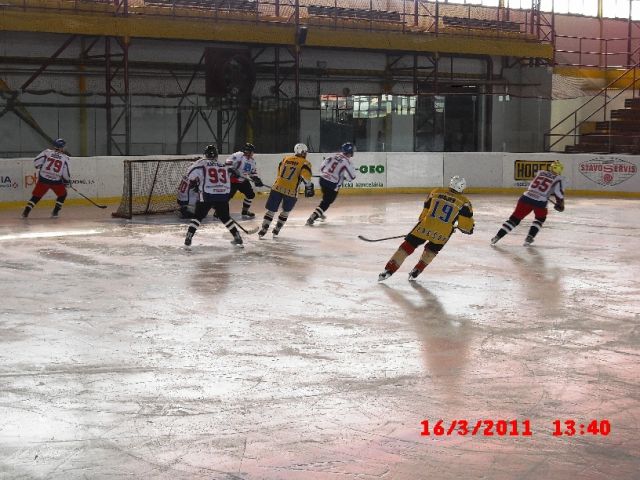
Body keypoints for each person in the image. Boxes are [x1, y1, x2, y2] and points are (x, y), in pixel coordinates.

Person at [378, 176, 474, 282]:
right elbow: (465, 226)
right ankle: (417, 270)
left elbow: (425, 211)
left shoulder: (436, 192)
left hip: (424, 226)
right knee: (431, 251)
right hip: (442, 233)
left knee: (407, 247)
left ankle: (388, 270)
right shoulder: (464, 202)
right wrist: (469, 230)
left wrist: (421, 226)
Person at [491, 160, 565, 247]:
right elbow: (558, 193)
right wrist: (560, 203)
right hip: (540, 201)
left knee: (514, 219)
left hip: (526, 197)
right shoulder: (559, 179)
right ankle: (530, 237)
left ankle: (497, 236)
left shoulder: (541, 172)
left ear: (551, 167)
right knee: (540, 219)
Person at [183, 144, 244, 248]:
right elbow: (232, 175)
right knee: (225, 217)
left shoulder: (201, 163)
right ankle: (237, 237)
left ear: (205, 154)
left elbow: (190, 175)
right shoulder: (222, 165)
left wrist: (194, 183)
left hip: (207, 195)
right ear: (216, 155)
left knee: (198, 217)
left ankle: (188, 238)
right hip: (223, 195)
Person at [258, 143, 314, 238]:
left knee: (271, 210)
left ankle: (264, 228)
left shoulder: (285, 159)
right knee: (286, 211)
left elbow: (279, 171)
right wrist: (309, 187)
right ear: (302, 152)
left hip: (277, 187)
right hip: (291, 191)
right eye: (305, 152)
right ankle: (277, 229)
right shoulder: (305, 163)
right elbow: (306, 178)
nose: (306, 154)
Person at [306, 142, 357, 226]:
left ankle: (319, 212)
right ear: (350, 152)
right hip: (332, 184)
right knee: (327, 202)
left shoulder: (334, 155)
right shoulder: (347, 162)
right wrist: (345, 178)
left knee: (325, 198)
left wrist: (324, 174)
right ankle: (313, 217)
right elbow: (352, 177)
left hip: (322, 180)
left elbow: (323, 165)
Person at [22, 138, 71, 218]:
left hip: (43, 179)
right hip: (56, 181)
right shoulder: (65, 158)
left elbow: (36, 162)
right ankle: (55, 213)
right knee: (63, 195)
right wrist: (67, 182)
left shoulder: (47, 152)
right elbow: (66, 173)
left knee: (36, 196)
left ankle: (25, 212)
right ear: (61, 147)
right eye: (64, 146)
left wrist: (40, 167)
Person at [227, 142, 264, 218]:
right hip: (232, 180)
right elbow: (227, 163)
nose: (253, 153)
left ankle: (245, 211)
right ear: (247, 151)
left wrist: (256, 179)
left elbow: (252, 172)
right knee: (227, 197)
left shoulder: (252, 161)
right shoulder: (238, 155)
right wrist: (232, 170)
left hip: (243, 180)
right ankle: (219, 211)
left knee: (250, 195)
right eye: (252, 151)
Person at [176, 146, 214, 219]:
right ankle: (190, 210)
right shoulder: (198, 173)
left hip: (182, 201)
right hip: (188, 203)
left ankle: (186, 209)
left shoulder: (190, 172)